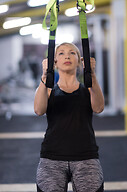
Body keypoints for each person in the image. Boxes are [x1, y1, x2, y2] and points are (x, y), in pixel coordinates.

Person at [34, 42, 104, 192]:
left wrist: (91, 74)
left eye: (72, 53)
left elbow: (98, 108)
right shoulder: (47, 90)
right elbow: (39, 110)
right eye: (61, 53)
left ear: (79, 61)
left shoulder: (88, 89)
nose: (67, 55)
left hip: (86, 156)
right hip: (52, 157)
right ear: (55, 62)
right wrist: (45, 75)